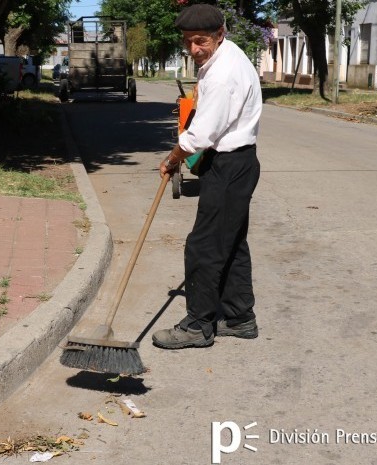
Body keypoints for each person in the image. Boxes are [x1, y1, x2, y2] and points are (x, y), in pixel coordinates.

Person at [152, 3, 263, 349]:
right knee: (229, 243)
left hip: (230, 166)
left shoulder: (222, 73)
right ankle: (239, 317)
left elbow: (200, 137)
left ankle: (198, 326)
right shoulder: (224, 56)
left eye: (200, 41)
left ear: (220, 34)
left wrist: (172, 159)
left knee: (203, 246)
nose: (193, 49)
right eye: (187, 42)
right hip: (236, 163)